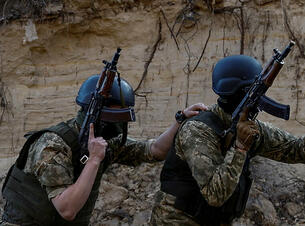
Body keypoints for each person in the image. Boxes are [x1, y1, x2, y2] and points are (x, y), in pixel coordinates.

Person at [149, 54, 305, 225]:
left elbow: (296, 150)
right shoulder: (198, 130)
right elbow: (215, 194)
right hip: (175, 219)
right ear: (238, 93)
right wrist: (240, 148)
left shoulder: (246, 125)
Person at [1, 72, 207, 225]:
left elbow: (155, 150)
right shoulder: (53, 145)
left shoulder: (106, 141)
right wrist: (93, 160)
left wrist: (179, 121)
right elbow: (67, 209)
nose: (119, 125)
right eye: (115, 118)